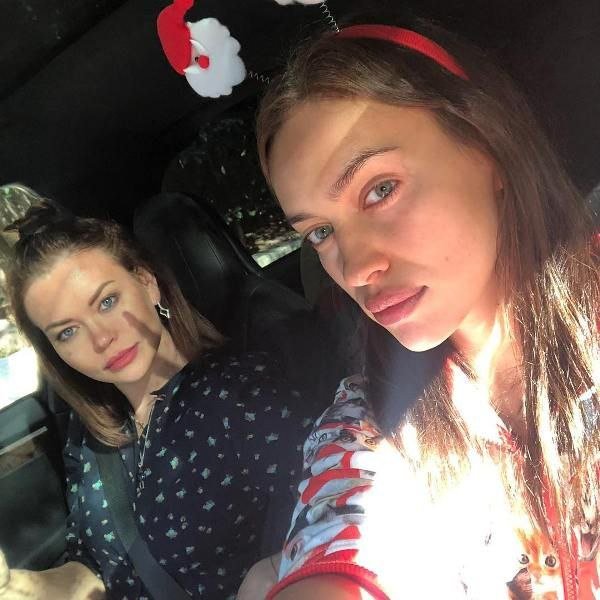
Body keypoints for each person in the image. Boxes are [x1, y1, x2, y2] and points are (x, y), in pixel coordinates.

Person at [248, 16, 600, 600]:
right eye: (320, 233)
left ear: (488, 146)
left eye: (380, 189)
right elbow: (346, 527)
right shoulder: (371, 420)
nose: (354, 269)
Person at [0, 200, 318, 600]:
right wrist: (19, 586)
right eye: (67, 332)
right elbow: (94, 567)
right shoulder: (92, 435)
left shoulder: (241, 396)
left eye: (107, 302)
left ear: (147, 282)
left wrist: (273, 575)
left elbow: (331, 520)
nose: (101, 338)